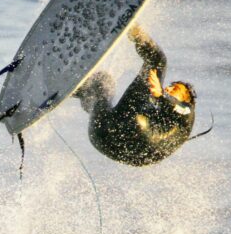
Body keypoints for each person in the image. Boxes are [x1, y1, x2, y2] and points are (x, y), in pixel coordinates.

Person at [74, 24, 197, 166]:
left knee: (158, 61)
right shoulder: (163, 121)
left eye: (175, 89)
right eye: (169, 87)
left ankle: (134, 30)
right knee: (101, 86)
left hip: (136, 131)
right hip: (101, 138)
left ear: (186, 99)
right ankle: (78, 90)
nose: (168, 89)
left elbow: (181, 108)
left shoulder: (187, 112)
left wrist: (161, 95)